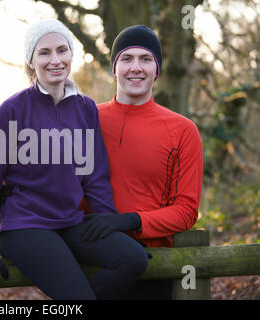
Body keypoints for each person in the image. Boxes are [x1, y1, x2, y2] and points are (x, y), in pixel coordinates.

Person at [0, 19, 149, 300]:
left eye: (62, 50)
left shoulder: (85, 108)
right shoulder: (11, 111)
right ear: (31, 60)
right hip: (24, 226)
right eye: (45, 53)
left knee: (133, 259)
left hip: (71, 222)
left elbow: (95, 177)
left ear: (71, 55)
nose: (55, 60)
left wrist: (109, 225)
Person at [79, 25, 204, 299]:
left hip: (152, 265)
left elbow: (186, 211)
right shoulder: (84, 118)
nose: (136, 67)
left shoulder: (183, 130)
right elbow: (56, 182)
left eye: (146, 59)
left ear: (157, 70)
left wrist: (131, 221)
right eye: (126, 58)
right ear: (114, 68)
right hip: (88, 260)